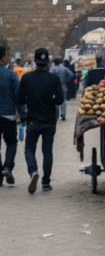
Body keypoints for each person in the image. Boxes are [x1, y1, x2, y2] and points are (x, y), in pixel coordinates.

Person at [17, 48, 64, 193]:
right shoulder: (54, 79)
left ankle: (33, 172)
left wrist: (29, 100)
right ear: (47, 62)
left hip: (33, 120)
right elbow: (60, 100)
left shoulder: (26, 78)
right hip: (49, 120)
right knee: (47, 152)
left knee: (29, 149)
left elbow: (19, 99)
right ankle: (46, 183)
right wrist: (51, 99)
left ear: (35, 61)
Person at [0, 46, 26, 186]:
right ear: (3, 58)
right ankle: (7, 167)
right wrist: (23, 115)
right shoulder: (11, 75)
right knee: (11, 142)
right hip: (8, 115)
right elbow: (18, 97)